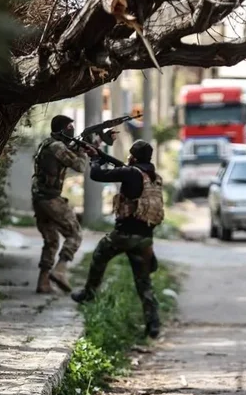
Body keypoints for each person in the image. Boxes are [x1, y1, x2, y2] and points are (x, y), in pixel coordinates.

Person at [71, 140, 166, 339]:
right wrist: (102, 156)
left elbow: (96, 175)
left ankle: (89, 293)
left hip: (124, 235)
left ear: (134, 156)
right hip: (145, 238)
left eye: (131, 154)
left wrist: (95, 158)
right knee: (144, 282)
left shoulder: (131, 173)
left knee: (99, 254)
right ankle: (153, 324)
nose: (128, 157)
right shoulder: (154, 177)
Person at [31, 115, 90, 294]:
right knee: (75, 234)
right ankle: (60, 270)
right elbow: (79, 166)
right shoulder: (57, 147)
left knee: (51, 240)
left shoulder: (47, 144)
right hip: (50, 199)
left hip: (39, 197)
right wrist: (84, 150)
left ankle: (43, 283)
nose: (72, 129)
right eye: (69, 126)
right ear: (62, 129)